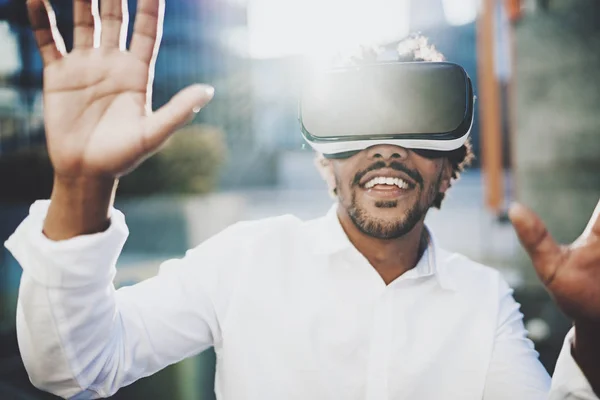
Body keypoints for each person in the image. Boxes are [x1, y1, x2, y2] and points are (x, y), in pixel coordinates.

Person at [5, 0, 600, 399]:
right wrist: (81, 185)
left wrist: (595, 336)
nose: (387, 148)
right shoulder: (243, 262)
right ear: (326, 159)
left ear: (450, 169)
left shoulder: (483, 299)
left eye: (419, 125)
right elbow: (73, 366)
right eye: (358, 121)